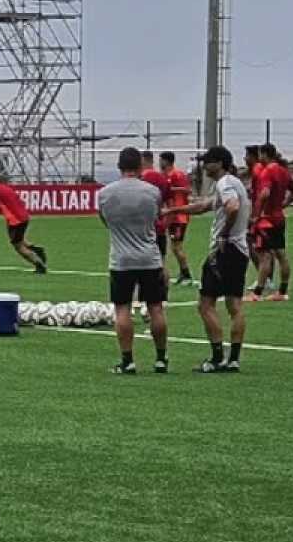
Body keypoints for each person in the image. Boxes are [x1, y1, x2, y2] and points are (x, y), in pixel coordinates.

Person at [163, 144, 250, 373]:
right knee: (234, 304)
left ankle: (217, 357)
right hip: (240, 251)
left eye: (208, 161)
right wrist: (172, 211)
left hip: (225, 251)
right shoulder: (234, 183)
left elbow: (232, 207)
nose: (204, 165)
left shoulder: (225, 183)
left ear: (219, 163)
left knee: (205, 305)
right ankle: (233, 360)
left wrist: (223, 235)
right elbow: (203, 206)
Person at [98, 147, 171, 374]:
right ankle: (160, 358)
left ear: (119, 166)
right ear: (140, 166)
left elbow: (105, 220)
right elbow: (156, 217)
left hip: (121, 259)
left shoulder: (105, 194)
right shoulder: (152, 192)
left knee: (122, 309)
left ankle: (127, 360)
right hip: (149, 257)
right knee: (156, 308)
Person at [248, 142, 293, 302]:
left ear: (264, 154)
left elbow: (265, 193)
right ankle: (282, 292)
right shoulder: (284, 171)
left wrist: (256, 215)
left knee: (264, 256)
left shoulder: (267, 171)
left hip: (266, 220)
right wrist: (282, 205)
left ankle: (257, 293)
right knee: (281, 254)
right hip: (279, 217)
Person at [0, 171, 47, 274]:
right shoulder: (4, 187)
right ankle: (37, 250)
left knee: (18, 246)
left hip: (15, 220)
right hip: (23, 217)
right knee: (20, 240)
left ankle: (38, 264)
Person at [160, 150, 194, 284]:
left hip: (179, 216)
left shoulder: (177, 174)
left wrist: (171, 189)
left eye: (161, 160)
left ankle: (187, 274)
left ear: (167, 161)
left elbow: (187, 190)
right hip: (171, 215)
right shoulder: (165, 175)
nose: (160, 162)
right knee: (174, 246)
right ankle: (183, 273)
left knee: (176, 247)